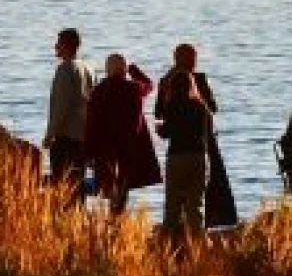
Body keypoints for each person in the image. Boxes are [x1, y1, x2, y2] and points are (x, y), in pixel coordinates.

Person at [157, 43, 238, 228]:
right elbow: (212, 108)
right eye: (191, 57)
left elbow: (160, 114)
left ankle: (185, 228)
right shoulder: (196, 82)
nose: (194, 62)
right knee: (201, 191)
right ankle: (199, 228)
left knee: (181, 197)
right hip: (201, 142)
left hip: (184, 145)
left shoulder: (169, 82)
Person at [83, 54, 162, 214]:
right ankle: (117, 221)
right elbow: (149, 85)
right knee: (122, 189)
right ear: (124, 70)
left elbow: (91, 124)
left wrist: (88, 152)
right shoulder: (134, 88)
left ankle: (111, 225)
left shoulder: (98, 92)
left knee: (108, 188)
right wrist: (133, 70)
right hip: (129, 149)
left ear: (107, 69)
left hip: (105, 150)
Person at [155, 59, 211, 237]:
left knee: (172, 206)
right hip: (198, 156)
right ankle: (199, 246)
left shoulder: (171, 105)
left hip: (177, 157)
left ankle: (167, 246)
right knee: (195, 207)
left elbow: (166, 133)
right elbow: (208, 132)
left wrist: (159, 129)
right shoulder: (200, 107)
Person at [43, 28, 94, 199]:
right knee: (78, 185)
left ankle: (65, 221)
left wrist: (50, 134)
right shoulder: (87, 68)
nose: (55, 46)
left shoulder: (65, 69)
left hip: (65, 138)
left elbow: (61, 107)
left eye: (58, 43)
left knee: (63, 185)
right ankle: (78, 221)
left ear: (66, 45)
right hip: (83, 136)